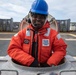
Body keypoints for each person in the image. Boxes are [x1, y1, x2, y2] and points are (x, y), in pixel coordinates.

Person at [7, 0, 67, 67]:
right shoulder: (22, 34)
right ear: (30, 16)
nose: (38, 19)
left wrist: (50, 63)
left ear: (46, 18)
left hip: (46, 69)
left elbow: (60, 50)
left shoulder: (53, 35)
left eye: (41, 16)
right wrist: (30, 61)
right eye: (35, 16)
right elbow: (13, 49)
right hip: (25, 69)